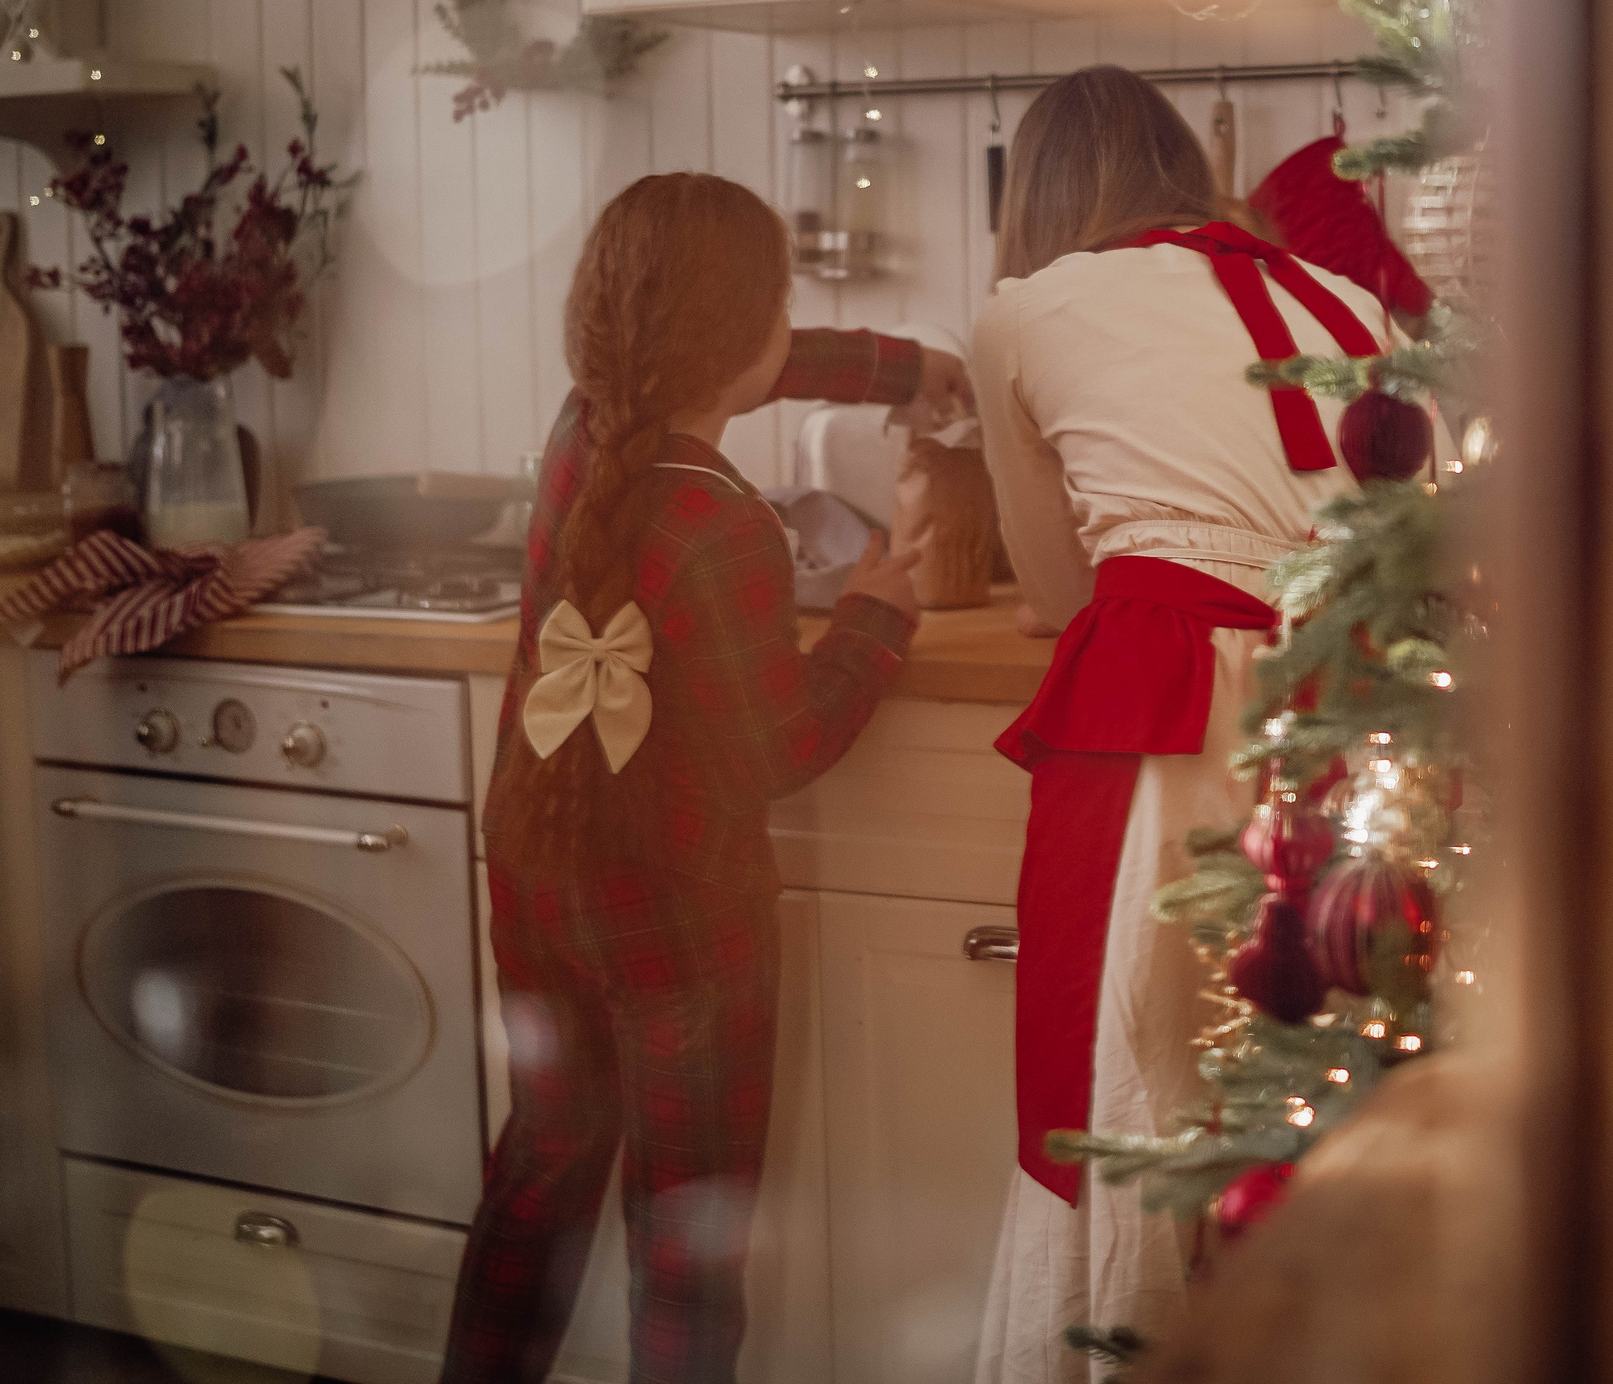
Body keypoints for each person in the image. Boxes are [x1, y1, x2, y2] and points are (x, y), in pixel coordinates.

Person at [439, 172, 967, 1384]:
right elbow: (776, 751)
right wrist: (876, 623)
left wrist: (895, 366)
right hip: (677, 918)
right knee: (686, 1243)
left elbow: (735, 358)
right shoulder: (725, 522)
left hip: (538, 881)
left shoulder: (589, 430)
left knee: (540, 1170)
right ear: (750, 328)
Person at [967, 68, 1398, 1379]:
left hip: (1164, 725)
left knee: (1130, 1101)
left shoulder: (1022, 312)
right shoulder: (1356, 299)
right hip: (1354, 717)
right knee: (1316, 1102)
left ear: (1037, 197)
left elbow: (1052, 586)